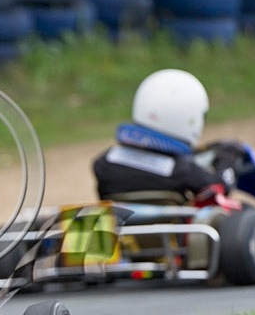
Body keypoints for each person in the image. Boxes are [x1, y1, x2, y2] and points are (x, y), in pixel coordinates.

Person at [92, 68, 243, 210]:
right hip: (169, 236)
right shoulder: (182, 170)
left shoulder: (105, 162)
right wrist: (227, 158)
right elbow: (221, 187)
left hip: (120, 233)